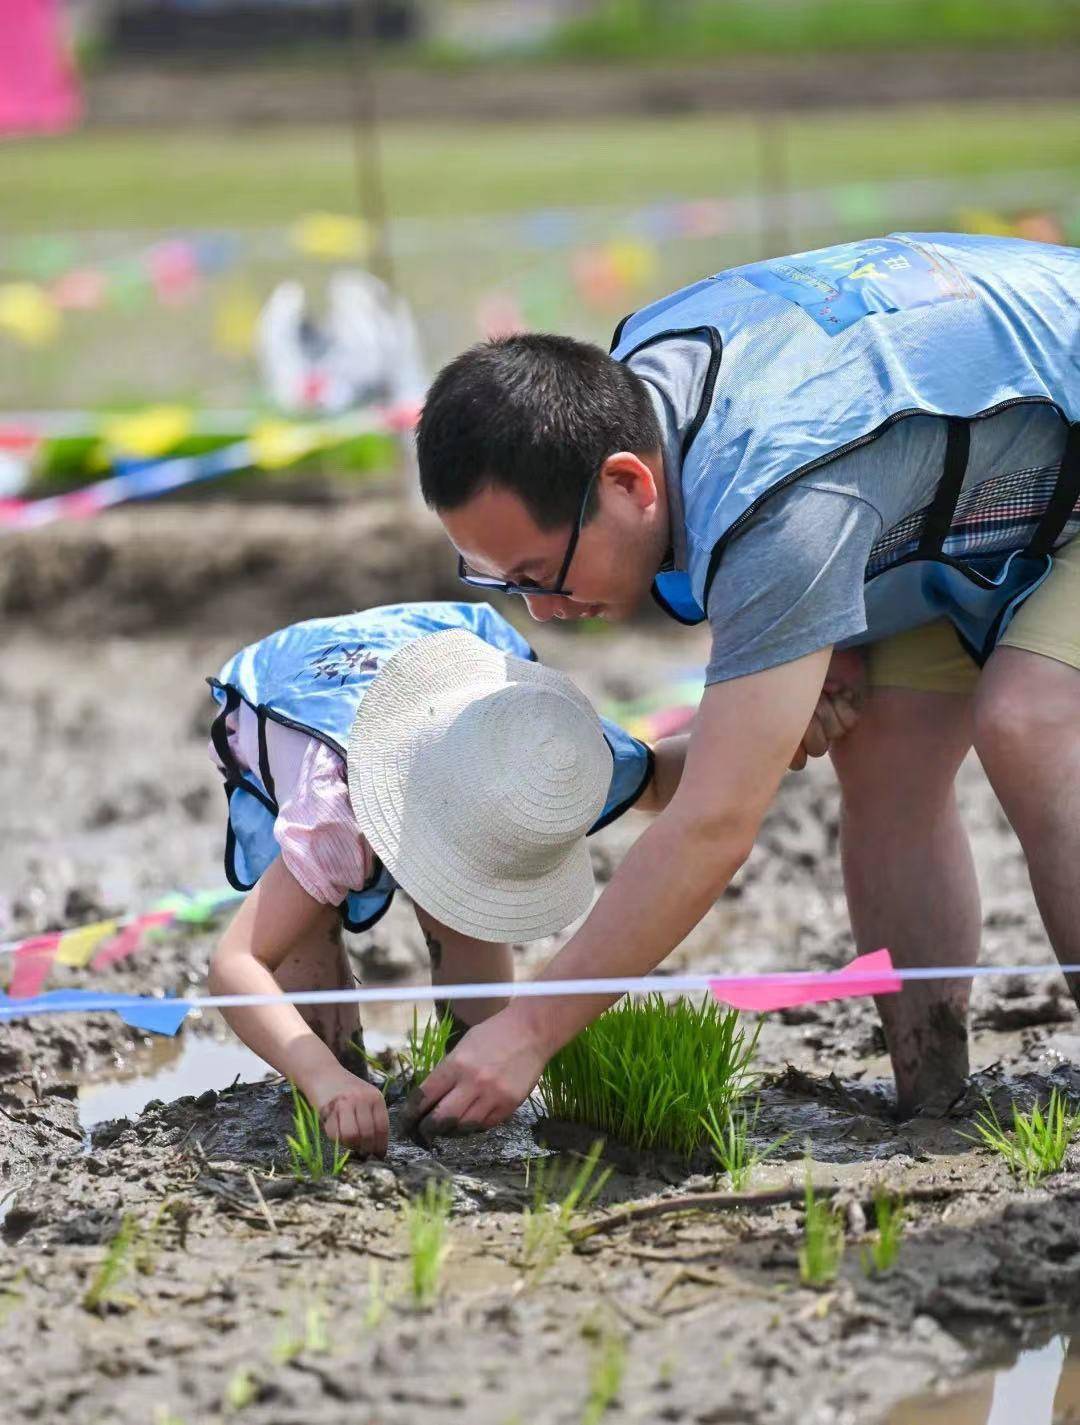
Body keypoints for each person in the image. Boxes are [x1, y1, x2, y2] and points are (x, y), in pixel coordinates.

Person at [411, 230, 1080, 1129]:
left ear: (627, 484)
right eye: (499, 581)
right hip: (967, 474)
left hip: (1049, 441)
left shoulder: (776, 505)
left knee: (1029, 718)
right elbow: (857, 476)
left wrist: (529, 1029)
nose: (542, 609)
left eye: (539, 573)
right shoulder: (621, 400)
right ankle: (935, 1093)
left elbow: (716, 823)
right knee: (881, 747)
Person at [205, 600, 685, 1153]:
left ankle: (460, 1093)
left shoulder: (553, 754)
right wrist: (325, 1080)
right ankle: (338, 1077)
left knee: (468, 914)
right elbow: (236, 963)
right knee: (304, 954)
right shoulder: (336, 817)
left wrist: (774, 728)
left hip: (449, 650)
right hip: (288, 697)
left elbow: (662, 774)